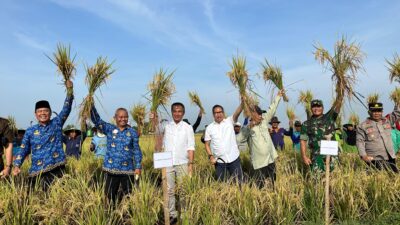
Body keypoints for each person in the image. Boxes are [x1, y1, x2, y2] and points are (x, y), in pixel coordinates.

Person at [13, 81, 74, 191]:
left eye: (45, 111)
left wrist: (69, 91)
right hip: (37, 172)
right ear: (35, 114)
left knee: (58, 198)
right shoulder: (30, 131)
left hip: (57, 168)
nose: (43, 113)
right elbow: (23, 149)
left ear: (50, 113)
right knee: (38, 199)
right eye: (39, 111)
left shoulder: (57, 123)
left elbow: (66, 109)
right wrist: (17, 165)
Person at [90, 105, 142, 203]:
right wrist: (91, 106)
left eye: (125, 117)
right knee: (110, 194)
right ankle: (111, 214)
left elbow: (136, 150)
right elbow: (97, 121)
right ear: (115, 118)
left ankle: (127, 215)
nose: (123, 119)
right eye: (120, 117)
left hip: (128, 170)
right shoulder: (109, 129)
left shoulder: (132, 132)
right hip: (111, 169)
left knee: (128, 195)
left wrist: (138, 166)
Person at [237, 90, 284, 188]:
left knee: (273, 181)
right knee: (260, 185)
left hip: (270, 159)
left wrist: (278, 96)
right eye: (259, 115)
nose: (261, 116)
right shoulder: (248, 128)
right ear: (253, 115)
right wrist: (250, 126)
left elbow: (272, 108)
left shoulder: (264, 121)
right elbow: (239, 139)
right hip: (259, 163)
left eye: (261, 114)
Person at [162, 102, 195, 223]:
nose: (177, 113)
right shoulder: (166, 126)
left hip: (183, 162)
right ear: (172, 112)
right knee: (169, 189)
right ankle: (172, 214)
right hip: (167, 162)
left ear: (183, 113)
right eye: (175, 111)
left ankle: (184, 213)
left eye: (179, 111)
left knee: (183, 189)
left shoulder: (188, 127)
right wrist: (153, 117)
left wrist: (190, 165)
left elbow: (191, 147)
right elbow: (159, 138)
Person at [300, 96, 343, 172]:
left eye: (318, 106)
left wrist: (341, 91)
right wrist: (304, 156)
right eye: (314, 107)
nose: (316, 109)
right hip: (317, 157)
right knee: (317, 180)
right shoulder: (306, 124)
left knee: (335, 178)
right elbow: (303, 141)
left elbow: (338, 104)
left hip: (332, 155)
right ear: (311, 109)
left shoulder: (330, 117)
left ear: (323, 108)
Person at [204, 104, 243, 183]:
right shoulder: (209, 128)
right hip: (219, 162)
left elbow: (237, 113)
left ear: (223, 113)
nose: (218, 114)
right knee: (222, 184)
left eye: (220, 112)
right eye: (216, 113)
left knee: (239, 183)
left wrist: (243, 103)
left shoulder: (229, 121)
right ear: (213, 114)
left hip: (234, 159)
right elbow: (207, 144)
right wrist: (211, 156)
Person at [356, 103, 400, 172]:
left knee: (392, 178)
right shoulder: (362, 126)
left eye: (379, 111)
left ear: (382, 112)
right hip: (374, 159)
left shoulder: (387, 121)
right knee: (378, 179)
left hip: (390, 157)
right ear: (369, 112)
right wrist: (363, 156)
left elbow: (397, 113)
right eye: (374, 111)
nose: (377, 113)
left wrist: (398, 103)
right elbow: (359, 142)